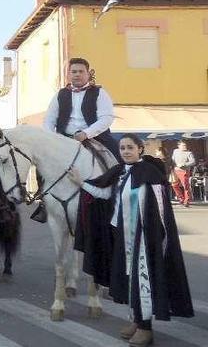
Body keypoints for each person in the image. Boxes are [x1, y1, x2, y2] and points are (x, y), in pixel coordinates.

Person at [75, 134, 193, 347]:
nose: (126, 151)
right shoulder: (119, 171)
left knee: (142, 282)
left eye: (130, 147)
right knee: (129, 281)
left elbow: (158, 209)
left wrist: (153, 237)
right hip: (122, 236)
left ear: (140, 149)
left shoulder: (149, 173)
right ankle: (136, 320)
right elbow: (104, 194)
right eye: (122, 148)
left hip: (143, 239)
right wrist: (81, 182)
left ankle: (145, 328)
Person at [43, 57, 120, 162]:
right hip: (65, 140)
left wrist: (86, 133)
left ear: (88, 74)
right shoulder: (60, 94)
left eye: (81, 71)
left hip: (96, 138)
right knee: (43, 165)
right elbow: (49, 119)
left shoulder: (100, 93)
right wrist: (51, 138)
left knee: (119, 159)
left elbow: (106, 118)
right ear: (69, 75)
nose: (77, 74)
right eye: (74, 72)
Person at [171, 140, 196, 208]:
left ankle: (186, 201)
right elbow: (173, 159)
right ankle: (181, 198)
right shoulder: (175, 151)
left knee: (185, 186)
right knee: (174, 185)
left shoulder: (189, 153)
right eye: (183, 145)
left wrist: (184, 164)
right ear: (179, 146)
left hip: (184, 171)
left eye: (185, 145)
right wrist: (173, 165)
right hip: (176, 170)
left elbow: (193, 161)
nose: (185, 147)